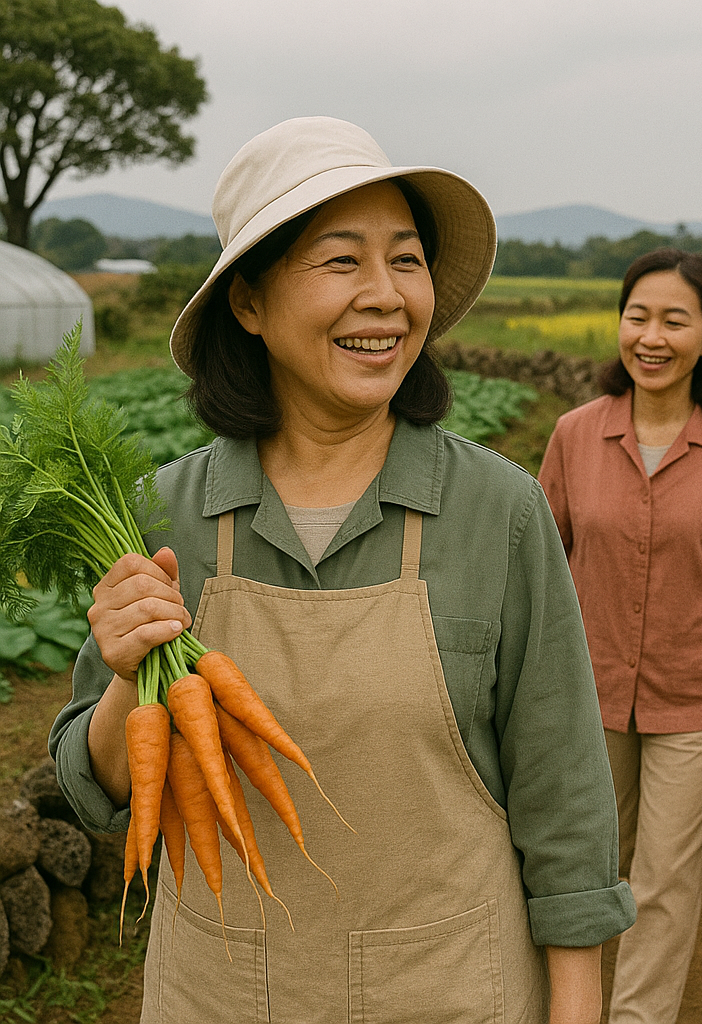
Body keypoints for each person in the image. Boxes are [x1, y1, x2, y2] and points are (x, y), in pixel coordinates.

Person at [49, 116, 635, 1023]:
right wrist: (128, 683)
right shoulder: (164, 514)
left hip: (448, 990)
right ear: (248, 303)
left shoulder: (498, 511)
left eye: (406, 260)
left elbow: (566, 804)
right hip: (223, 992)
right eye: (341, 261)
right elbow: (98, 789)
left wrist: (576, 1010)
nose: (387, 296)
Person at [538, 248, 702, 1024]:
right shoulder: (575, 434)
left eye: (674, 320)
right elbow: (542, 564)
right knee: (586, 866)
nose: (651, 337)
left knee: (663, 881)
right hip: (587, 691)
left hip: (700, 699)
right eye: (638, 316)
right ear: (620, 324)